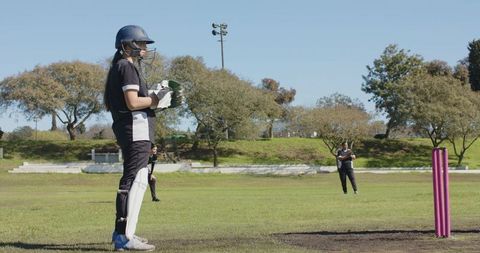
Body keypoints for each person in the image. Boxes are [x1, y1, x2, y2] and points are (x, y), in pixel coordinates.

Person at [104, 25, 173, 251]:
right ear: (127, 45)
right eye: (141, 43)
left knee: (139, 179)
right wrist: (156, 99)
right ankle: (123, 237)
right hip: (135, 130)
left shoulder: (122, 67)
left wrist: (154, 97)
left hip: (136, 131)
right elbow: (132, 103)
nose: (144, 48)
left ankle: (125, 233)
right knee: (133, 180)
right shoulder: (126, 66)